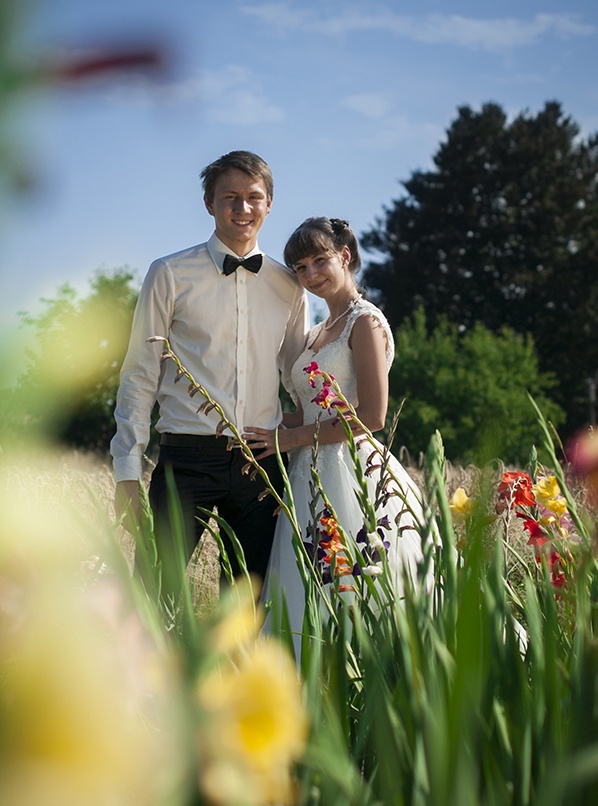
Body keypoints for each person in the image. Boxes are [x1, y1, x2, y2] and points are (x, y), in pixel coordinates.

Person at [110, 151, 309, 599]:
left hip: (262, 464)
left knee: (246, 606)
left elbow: (299, 380)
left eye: (253, 197)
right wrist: (127, 467)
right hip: (186, 460)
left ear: (270, 203)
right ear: (209, 203)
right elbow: (140, 373)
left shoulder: (289, 286)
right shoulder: (169, 274)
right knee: (156, 595)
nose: (243, 209)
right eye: (230, 198)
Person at [242, 217, 431, 652]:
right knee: (309, 584)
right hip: (306, 473)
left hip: (351, 471)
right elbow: (306, 409)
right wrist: (254, 420)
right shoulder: (315, 333)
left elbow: (372, 414)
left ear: (344, 256)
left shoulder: (364, 322)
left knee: (360, 584)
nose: (311, 275)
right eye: (301, 268)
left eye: (319, 261)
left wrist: (289, 439)